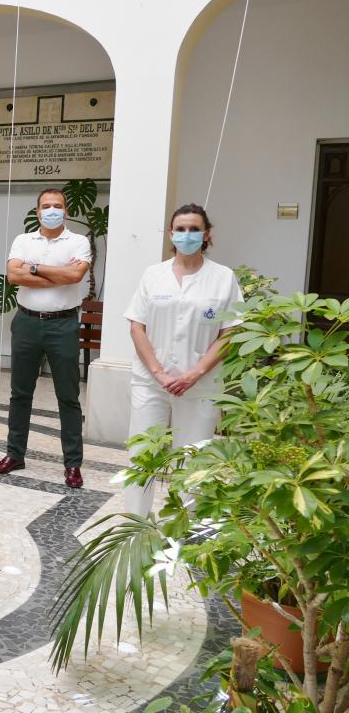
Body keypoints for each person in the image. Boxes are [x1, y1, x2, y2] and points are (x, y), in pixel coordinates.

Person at [124, 203, 242, 516]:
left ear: (207, 234)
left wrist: (193, 374)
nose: (186, 235)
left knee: (194, 458)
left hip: (200, 385)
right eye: (180, 229)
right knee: (142, 455)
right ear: (170, 233)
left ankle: (184, 528)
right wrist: (159, 373)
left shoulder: (223, 278)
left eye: (194, 229)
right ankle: (136, 525)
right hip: (151, 383)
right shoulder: (154, 275)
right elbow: (137, 326)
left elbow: (229, 333)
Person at [0, 188, 92, 487]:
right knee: (20, 393)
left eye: (57, 206)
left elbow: (74, 277)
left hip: (63, 325)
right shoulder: (23, 240)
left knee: (68, 397)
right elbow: (14, 276)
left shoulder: (79, 241)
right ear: (37, 212)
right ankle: (15, 453)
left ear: (66, 210)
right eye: (46, 206)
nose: (51, 210)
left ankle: (72, 464)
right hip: (26, 322)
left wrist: (33, 268)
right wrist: (56, 273)